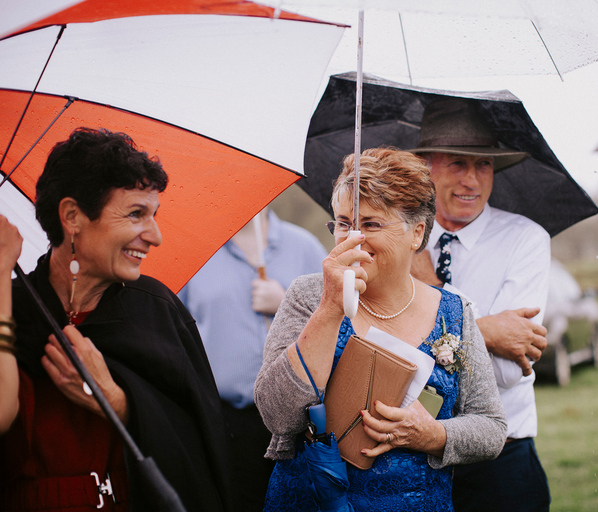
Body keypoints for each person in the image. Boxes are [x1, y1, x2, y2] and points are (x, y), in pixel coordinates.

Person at [254, 147, 507, 511]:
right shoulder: (308, 296)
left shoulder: (455, 314)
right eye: (343, 223)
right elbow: (277, 415)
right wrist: (330, 308)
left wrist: (432, 434)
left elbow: (492, 427)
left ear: (416, 233)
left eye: (371, 224)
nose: (352, 239)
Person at [0, 128, 232, 512]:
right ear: (72, 216)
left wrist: (116, 400)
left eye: (154, 215)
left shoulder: (159, 311)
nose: (155, 236)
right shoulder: (12, 306)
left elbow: (203, 452)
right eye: (136, 214)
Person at [408, 97, 551, 511]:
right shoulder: (397, 239)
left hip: (499, 464)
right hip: (412, 457)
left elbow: (508, 372)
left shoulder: (525, 240)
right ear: (424, 167)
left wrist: (431, 288)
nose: (472, 180)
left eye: (483, 164)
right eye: (457, 163)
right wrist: (486, 331)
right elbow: (384, 348)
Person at [178, 208, 327, 510]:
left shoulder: (304, 247)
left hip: (297, 422)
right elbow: (176, 333)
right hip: (223, 420)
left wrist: (284, 302)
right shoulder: (195, 256)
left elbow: (336, 322)